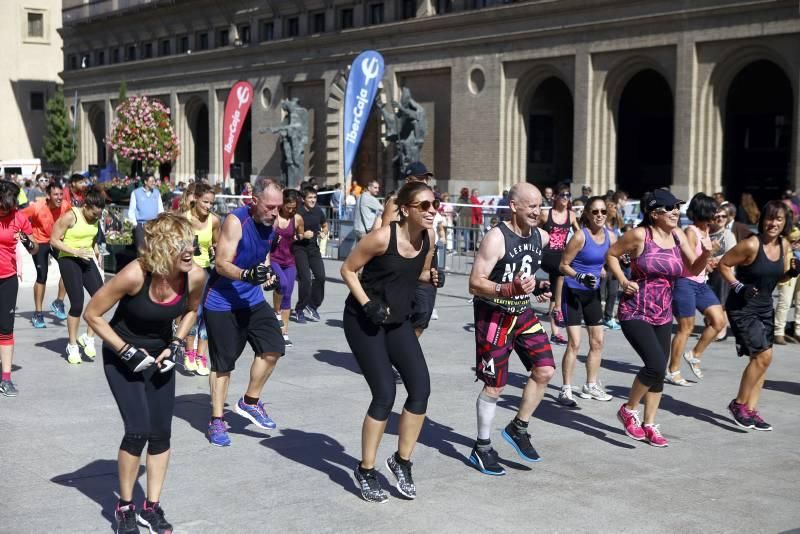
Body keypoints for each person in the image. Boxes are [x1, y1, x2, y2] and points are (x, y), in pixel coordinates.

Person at [84, 213, 205, 534]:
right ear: (165, 247)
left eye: (191, 242)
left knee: (161, 434)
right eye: (182, 245)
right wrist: (125, 350)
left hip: (160, 356)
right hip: (122, 356)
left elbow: (192, 310)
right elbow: (93, 315)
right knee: (137, 430)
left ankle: (151, 507)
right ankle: (124, 507)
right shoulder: (135, 274)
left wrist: (177, 344)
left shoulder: (195, 276)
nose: (191, 250)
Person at [340, 181, 440, 502]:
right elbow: (348, 269)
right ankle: (366, 470)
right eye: (424, 205)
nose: (431, 210)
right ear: (407, 209)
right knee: (385, 392)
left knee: (420, 388)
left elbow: (420, 273)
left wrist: (432, 276)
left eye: (433, 204)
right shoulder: (383, 237)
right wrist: (367, 302)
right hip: (363, 320)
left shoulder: (429, 238)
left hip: (397, 321)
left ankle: (402, 460)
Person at [607, 189, 711, 447]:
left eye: (677, 207)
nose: (676, 212)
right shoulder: (640, 235)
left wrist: (706, 255)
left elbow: (692, 269)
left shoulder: (677, 236)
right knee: (654, 364)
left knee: (659, 371)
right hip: (635, 310)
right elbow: (611, 254)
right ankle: (629, 409)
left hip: (663, 313)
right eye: (670, 208)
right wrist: (622, 279)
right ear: (655, 214)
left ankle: (650, 423)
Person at [467, 182, 554, 476]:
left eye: (540, 205)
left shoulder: (540, 237)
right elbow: (475, 282)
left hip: (523, 313)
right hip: (494, 315)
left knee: (544, 370)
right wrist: (508, 287)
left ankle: (519, 427)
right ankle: (481, 448)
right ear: (514, 206)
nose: (537, 211)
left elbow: (527, 273)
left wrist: (539, 286)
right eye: (531, 205)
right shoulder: (496, 238)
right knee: (495, 385)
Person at [203, 177, 285, 447]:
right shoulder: (236, 222)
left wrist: (266, 274)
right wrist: (247, 274)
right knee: (223, 365)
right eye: (270, 207)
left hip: (251, 299)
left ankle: (249, 401)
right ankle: (216, 420)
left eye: (278, 207)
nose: (275, 212)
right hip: (222, 302)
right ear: (255, 201)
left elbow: (263, 254)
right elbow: (221, 264)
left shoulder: (271, 224)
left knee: (273, 347)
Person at [719, 200, 798, 431]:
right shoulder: (751, 244)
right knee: (762, 357)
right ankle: (738, 404)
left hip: (764, 307)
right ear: (762, 220)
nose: (773, 223)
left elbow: (781, 278)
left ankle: (751, 410)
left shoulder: (784, 245)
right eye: (770, 218)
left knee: (765, 359)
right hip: (743, 307)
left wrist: (791, 272)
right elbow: (724, 264)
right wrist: (738, 286)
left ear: (785, 223)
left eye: (779, 219)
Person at [557, 196, 615, 407]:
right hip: (573, 292)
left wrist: (620, 263)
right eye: (595, 212)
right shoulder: (580, 237)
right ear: (587, 215)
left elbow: (615, 256)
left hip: (592, 293)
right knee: (575, 343)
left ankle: (590, 385)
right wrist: (579, 276)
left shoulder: (610, 236)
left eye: (603, 212)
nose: (599, 215)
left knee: (597, 342)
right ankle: (565, 389)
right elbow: (563, 265)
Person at [666, 193, 726, 386]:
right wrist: (710, 253)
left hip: (701, 283)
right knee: (686, 328)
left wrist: (709, 262)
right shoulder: (691, 231)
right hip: (684, 283)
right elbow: (690, 263)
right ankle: (672, 370)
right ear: (704, 211)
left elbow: (699, 263)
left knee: (719, 322)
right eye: (713, 210)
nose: (716, 214)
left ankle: (694, 353)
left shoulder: (706, 230)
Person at [377, 163, 439, 338]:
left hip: (426, 258)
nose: (424, 181)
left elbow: (430, 230)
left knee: (423, 312)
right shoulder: (396, 202)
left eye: (426, 178)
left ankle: (406, 348)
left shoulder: (429, 201)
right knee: (395, 313)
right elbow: (385, 234)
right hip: (402, 261)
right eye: (420, 178)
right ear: (408, 180)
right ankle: (397, 351)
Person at [50, 187, 107, 364]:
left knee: (101, 299)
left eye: (99, 214)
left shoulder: (96, 218)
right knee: (77, 303)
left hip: (87, 258)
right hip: (69, 258)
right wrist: (75, 251)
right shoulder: (71, 216)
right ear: (86, 206)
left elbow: (92, 240)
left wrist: (98, 256)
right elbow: (53, 240)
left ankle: (88, 338)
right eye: (94, 214)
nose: (97, 218)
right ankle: (72, 345)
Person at [0, 180, 38, 396]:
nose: (6, 210)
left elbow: (34, 248)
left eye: (10, 205)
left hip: (7, 279)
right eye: (3, 205)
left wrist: (25, 240)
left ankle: (6, 379)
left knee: (5, 328)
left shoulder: (19, 218)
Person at [181, 183, 220, 375]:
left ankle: (201, 355)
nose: (208, 206)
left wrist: (215, 248)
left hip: (205, 270)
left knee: (206, 314)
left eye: (211, 203)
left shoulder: (214, 221)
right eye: (205, 202)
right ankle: (189, 352)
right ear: (195, 199)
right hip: (186, 271)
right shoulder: (184, 219)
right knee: (193, 312)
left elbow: (217, 242)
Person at [21, 182, 69, 328]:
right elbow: (19, 218)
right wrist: (27, 237)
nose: (59, 197)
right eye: (55, 194)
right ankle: (38, 313)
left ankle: (59, 302)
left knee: (69, 269)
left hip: (56, 241)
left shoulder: (66, 206)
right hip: (40, 242)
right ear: (48, 196)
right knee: (42, 276)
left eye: (61, 194)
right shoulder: (37, 207)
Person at [539, 183, 579, 345]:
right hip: (547, 255)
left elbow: (580, 234)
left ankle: (555, 332)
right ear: (555, 197)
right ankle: (557, 308)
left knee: (557, 291)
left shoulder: (571, 215)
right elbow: (534, 231)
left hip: (560, 255)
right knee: (562, 270)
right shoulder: (545, 214)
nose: (565, 198)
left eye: (568, 195)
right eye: (562, 194)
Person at [270, 188, 304, 348]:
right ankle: (276, 312)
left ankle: (284, 333)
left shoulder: (297, 219)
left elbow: (301, 235)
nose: (291, 210)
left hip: (289, 261)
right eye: (288, 207)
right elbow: (265, 237)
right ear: (282, 204)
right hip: (274, 259)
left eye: (293, 207)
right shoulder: (274, 217)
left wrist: (302, 237)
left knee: (288, 293)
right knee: (282, 284)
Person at [293, 186, 328, 323]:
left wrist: (324, 232)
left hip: (313, 248)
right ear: (303, 199)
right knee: (306, 279)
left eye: (315, 197)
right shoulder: (298, 212)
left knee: (320, 277)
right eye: (310, 198)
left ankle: (312, 305)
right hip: (299, 248)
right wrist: (302, 235)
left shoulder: (318, 211)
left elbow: (325, 225)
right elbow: (290, 231)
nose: (313, 200)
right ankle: (299, 309)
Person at [708, 206, 737, 341]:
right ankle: (713, 324)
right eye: (717, 216)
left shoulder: (728, 234)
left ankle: (721, 331)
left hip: (723, 274)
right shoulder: (708, 233)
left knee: (721, 303)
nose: (720, 219)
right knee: (712, 301)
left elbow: (731, 254)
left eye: (723, 216)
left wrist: (715, 259)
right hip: (709, 273)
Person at [773, 226, 800, 344]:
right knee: (785, 301)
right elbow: (784, 240)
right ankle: (778, 332)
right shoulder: (786, 226)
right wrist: (793, 241)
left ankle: (798, 331)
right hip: (790, 266)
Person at [601, 197, 624, 330]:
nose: (615, 209)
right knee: (600, 292)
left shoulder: (616, 226)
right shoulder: (601, 226)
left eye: (616, 207)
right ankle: (599, 316)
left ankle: (609, 317)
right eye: (613, 207)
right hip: (603, 262)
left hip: (615, 261)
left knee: (614, 291)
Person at [128, 175, 165, 253]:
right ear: (145, 182)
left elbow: (160, 209)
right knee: (141, 251)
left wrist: (161, 223)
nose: (153, 183)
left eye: (154, 181)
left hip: (154, 226)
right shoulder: (136, 193)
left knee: (154, 250)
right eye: (151, 181)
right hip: (141, 226)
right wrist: (135, 224)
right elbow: (131, 210)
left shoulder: (157, 193)